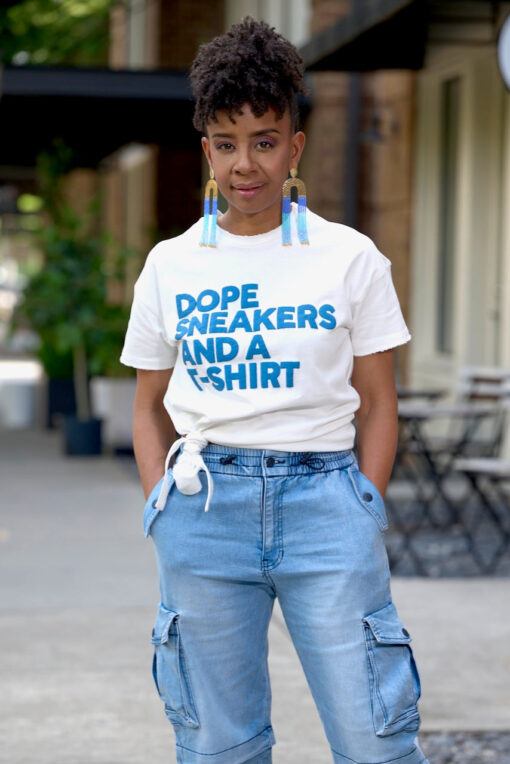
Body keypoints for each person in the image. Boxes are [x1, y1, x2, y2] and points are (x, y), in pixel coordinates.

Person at [120, 17, 429, 764]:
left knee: (374, 741)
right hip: (203, 507)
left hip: (327, 505)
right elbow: (146, 403)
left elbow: (380, 400)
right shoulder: (171, 264)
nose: (245, 164)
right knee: (218, 745)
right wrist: (163, 503)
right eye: (226, 144)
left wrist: (365, 506)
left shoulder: (349, 257)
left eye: (264, 140)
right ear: (206, 152)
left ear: (295, 145)